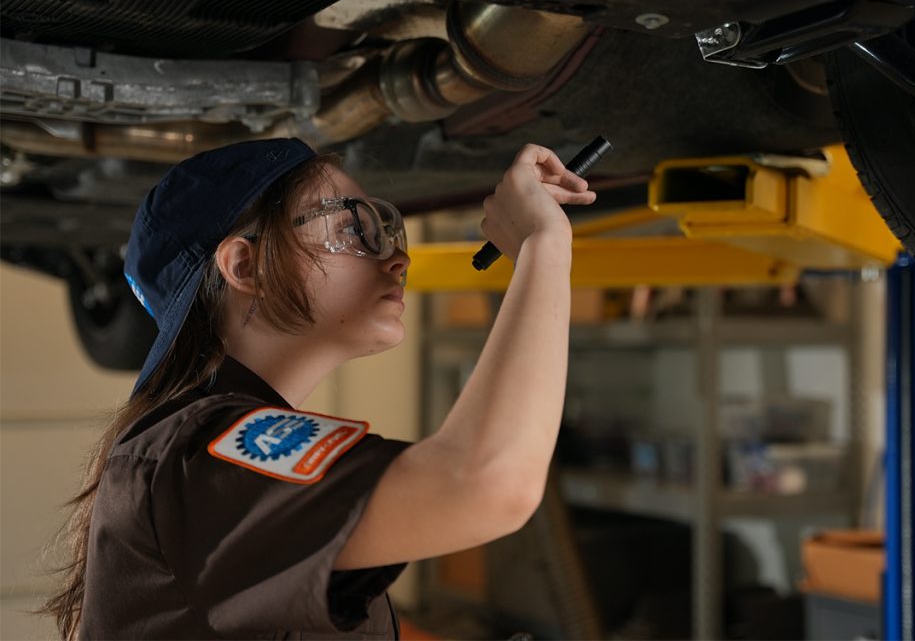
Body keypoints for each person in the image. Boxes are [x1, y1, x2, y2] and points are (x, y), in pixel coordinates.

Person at [41, 137, 596, 639]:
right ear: (245, 264)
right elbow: (486, 486)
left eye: (384, 229)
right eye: (356, 228)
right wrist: (543, 245)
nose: (398, 259)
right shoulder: (194, 453)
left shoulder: (201, 456)